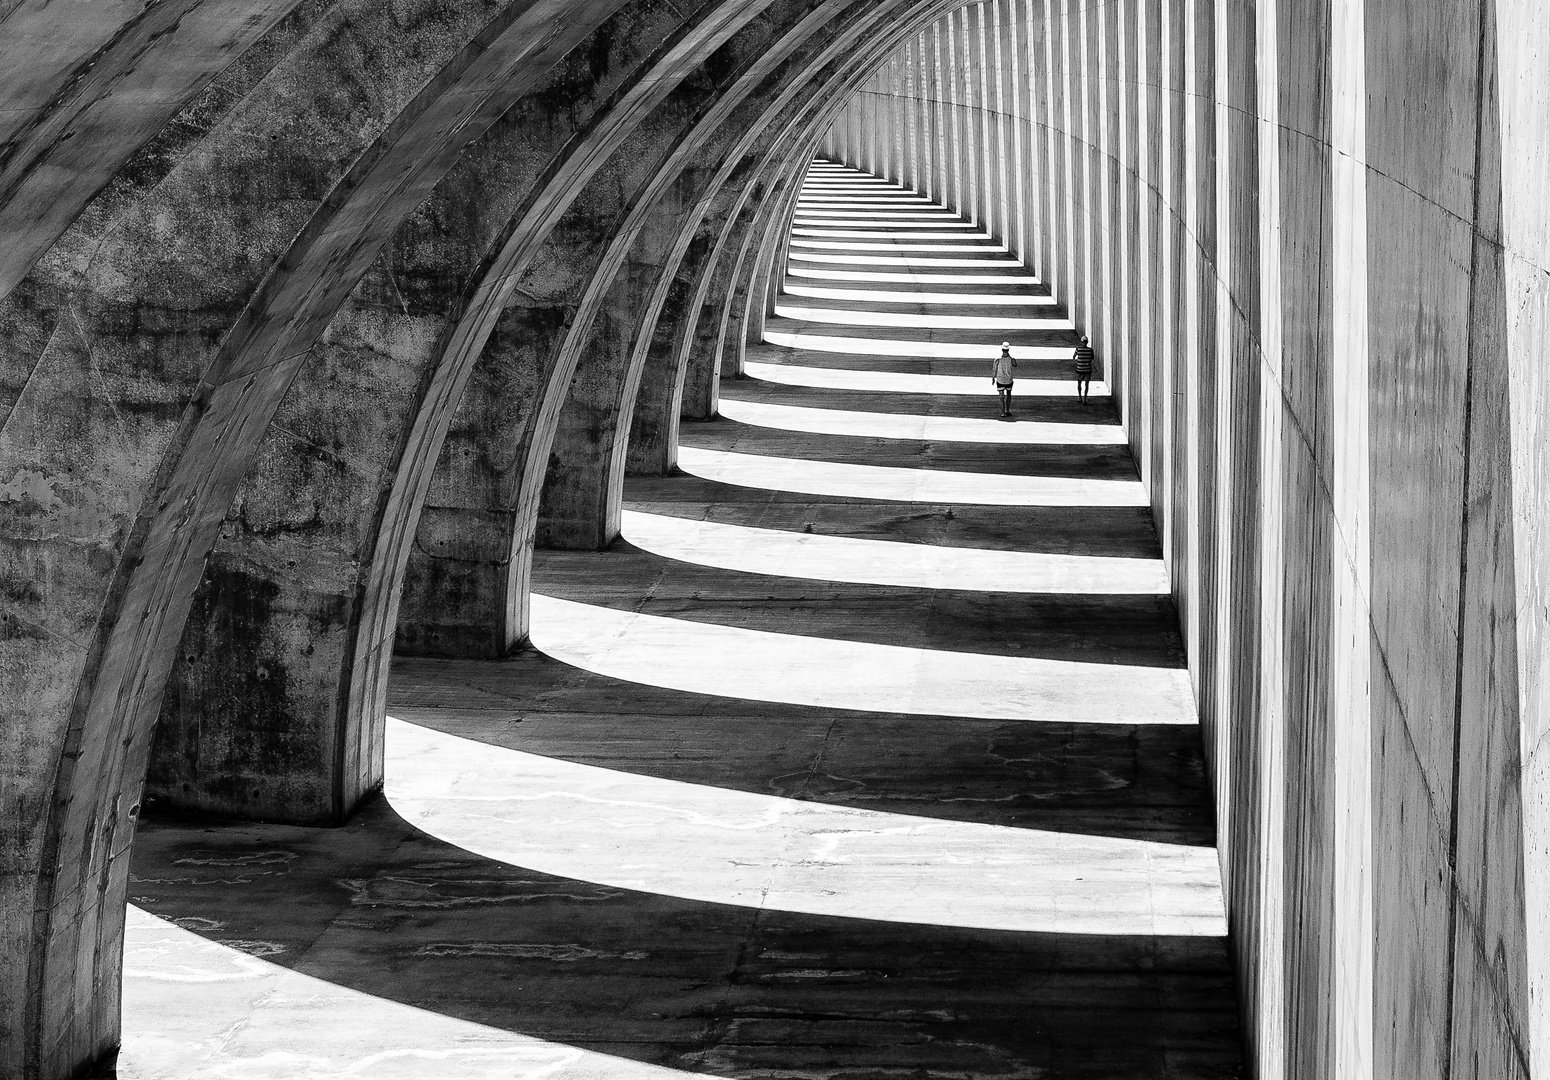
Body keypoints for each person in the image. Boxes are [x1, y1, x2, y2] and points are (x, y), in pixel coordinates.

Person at [991, 341, 1016, 417]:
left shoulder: (997, 359)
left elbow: (994, 369)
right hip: (1008, 380)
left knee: (1001, 396)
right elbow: (1015, 365)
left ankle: (1002, 412)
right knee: (1009, 395)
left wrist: (993, 378)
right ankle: (1007, 410)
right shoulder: (1011, 359)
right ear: (1008, 350)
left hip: (1000, 380)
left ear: (1002, 350)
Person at [1073, 334, 1094, 403]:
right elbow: (1092, 358)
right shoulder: (1090, 350)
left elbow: (1074, 357)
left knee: (1079, 383)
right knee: (1086, 385)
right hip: (1088, 369)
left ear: (1081, 342)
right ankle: (1085, 399)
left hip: (1080, 369)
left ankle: (1079, 397)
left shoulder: (1078, 349)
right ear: (1087, 342)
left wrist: (1078, 361)